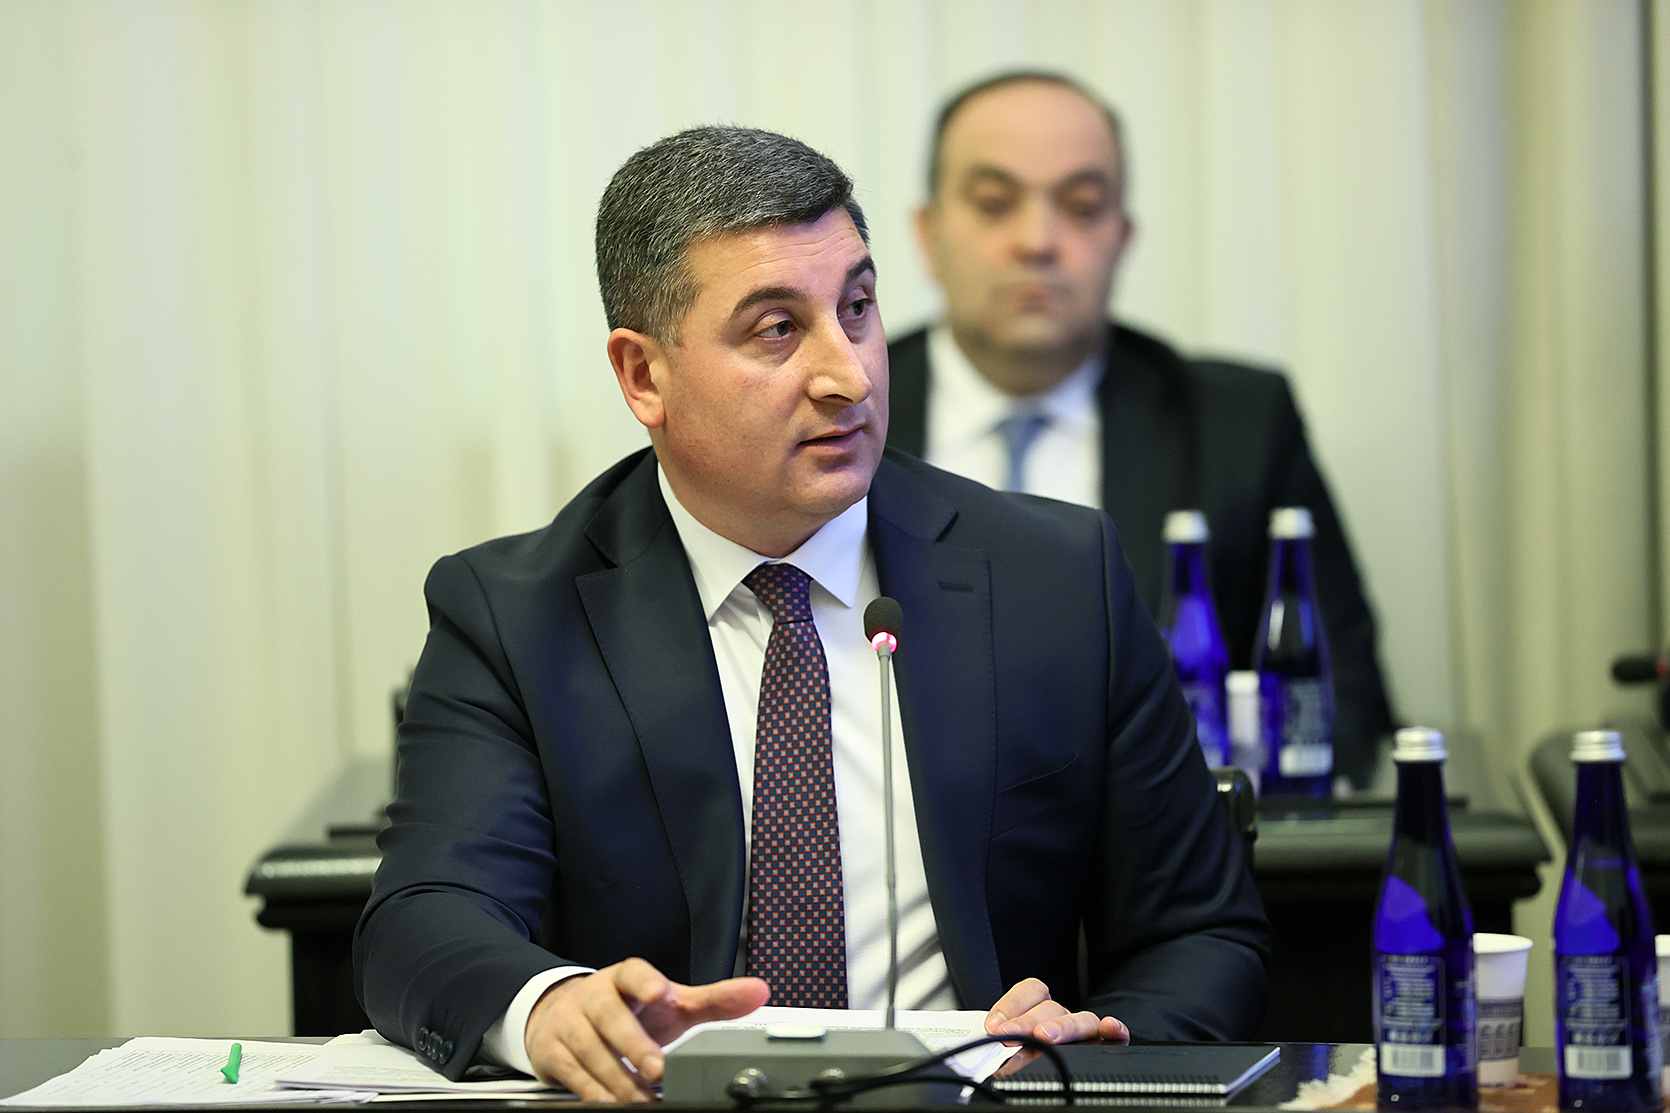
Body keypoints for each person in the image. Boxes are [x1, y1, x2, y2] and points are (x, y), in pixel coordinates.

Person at [354, 125, 1269, 1103]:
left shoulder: (1054, 579)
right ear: (643, 376)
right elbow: (425, 918)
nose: (852, 375)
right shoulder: (513, 617)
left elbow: (1200, 934)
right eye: (777, 330)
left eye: (858, 308)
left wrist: (1086, 1054)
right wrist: (549, 1007)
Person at [890, 72, 1396, 788]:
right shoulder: (837, 413)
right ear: (928, 233)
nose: (1037, 241)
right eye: (995, 204)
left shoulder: (1238, 426)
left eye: (1082, 207)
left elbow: (1342, 699)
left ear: (1121, 238)